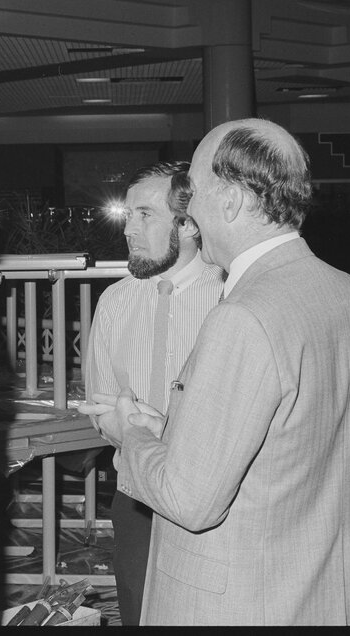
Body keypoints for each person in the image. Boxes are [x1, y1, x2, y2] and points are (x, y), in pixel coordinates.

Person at [83, 118, 350, 625]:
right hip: (315, 594)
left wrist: (130, 434)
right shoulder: (343, 291)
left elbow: (188, 499)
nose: (188, 211)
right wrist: (168, 431)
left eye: (192, 192)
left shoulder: (242, 315)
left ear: (232, 202)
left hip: (236, 602)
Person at [82, 161, 223, 625]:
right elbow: (101, 408)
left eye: (145, 215)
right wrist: (133, 431)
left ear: (188, 226)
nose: (128, 229)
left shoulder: (230, 299)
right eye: (128, 215)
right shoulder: (116, 302)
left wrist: (157, 427)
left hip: (215, 499)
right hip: (136, 498)